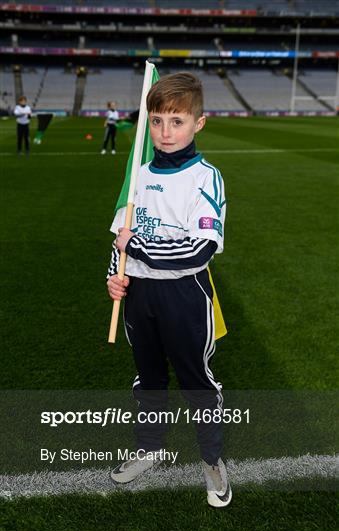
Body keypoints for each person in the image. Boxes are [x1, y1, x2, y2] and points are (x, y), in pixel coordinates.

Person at [106, 72, 230, 508]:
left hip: (184, 297)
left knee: (197, 382)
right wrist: (114, 275)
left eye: (176, 121)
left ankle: (213, 460)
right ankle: (150, 449)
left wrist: (136, 245)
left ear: (199, 123)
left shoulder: (205, 178)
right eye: (156, 121)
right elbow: (119, 237)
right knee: (150, 380)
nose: (165, 132)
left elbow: (198, 250)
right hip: (141, 297)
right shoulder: (138, 175)